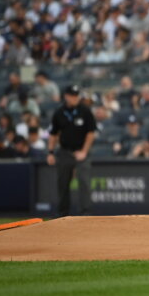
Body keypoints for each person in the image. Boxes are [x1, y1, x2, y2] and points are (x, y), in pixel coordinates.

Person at [46, 85, 97, 217]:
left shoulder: (85, 111)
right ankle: (62, 215)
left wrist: (84, 151)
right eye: (72, 95)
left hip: (81, 151)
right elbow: (53, 133)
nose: (75, 98)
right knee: (62, 183)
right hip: (65, 152)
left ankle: (85, 214)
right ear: (66, 96)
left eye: (76, 95)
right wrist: (50, 152)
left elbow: (91, 133)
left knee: (84, 182)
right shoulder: (59, 112)